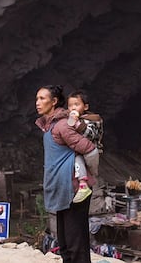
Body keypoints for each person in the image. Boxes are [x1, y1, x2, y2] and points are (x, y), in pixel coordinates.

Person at [35, 85, 96, 263]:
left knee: (76, 243)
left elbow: (89, 149)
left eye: (42, 98)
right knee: (65, 241)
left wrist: (92, 173)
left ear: (54, 101)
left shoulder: (62, 125)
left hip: (74, 190)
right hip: (62, 189)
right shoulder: (49, 126)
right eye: (37, 98)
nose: (37, 103)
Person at [66, 90, 103, 204]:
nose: (73, 108)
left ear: (85, 107)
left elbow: (91, 134)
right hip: (80, 152)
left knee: (92, 172)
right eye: (70, 105)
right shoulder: (70, 119)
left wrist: (78, 124)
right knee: (76, 158)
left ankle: (90, 183)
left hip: (91, 151)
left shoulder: (93, 119)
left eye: (76, 104)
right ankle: (83, 185)